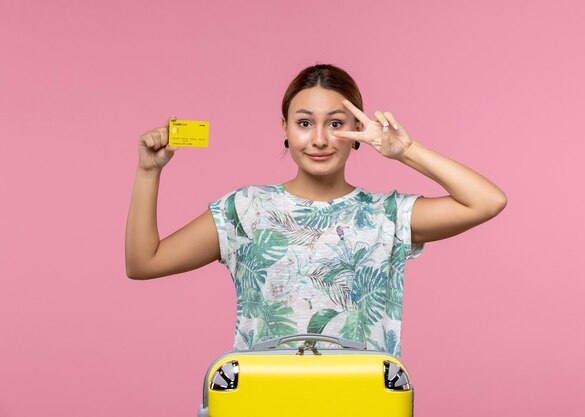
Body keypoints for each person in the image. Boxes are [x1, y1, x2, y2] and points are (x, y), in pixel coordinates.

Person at [125, 64, 507, 358]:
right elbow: (144, 262)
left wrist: (405, 150)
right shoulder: (248, 209)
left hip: (362, 403)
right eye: (305, 123)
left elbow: (487, 201)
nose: (320, 139)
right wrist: (148, 172)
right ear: (285, 129)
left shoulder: (385, 216)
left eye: (336, 124)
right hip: (263, 402)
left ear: (359, 129)